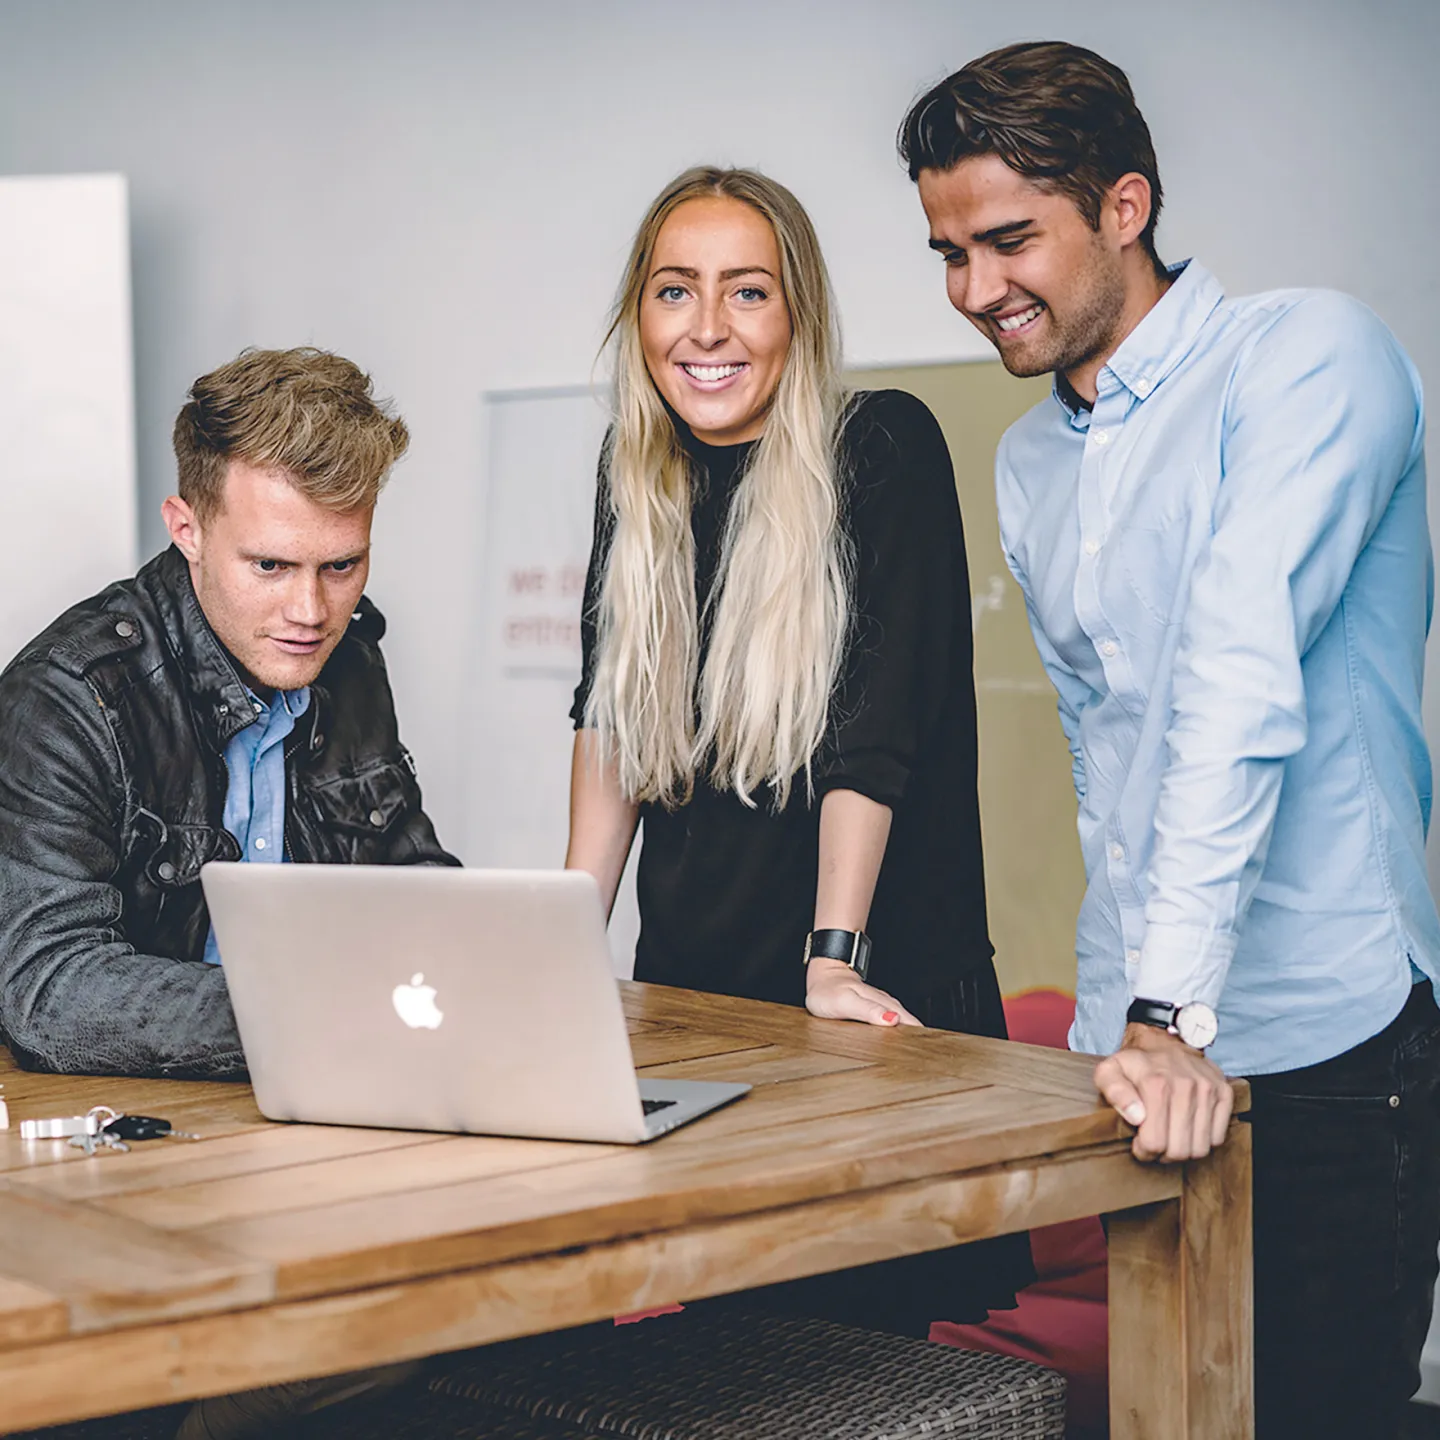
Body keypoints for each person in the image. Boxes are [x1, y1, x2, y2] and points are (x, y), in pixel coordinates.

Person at [899, 40, 1440, 1436]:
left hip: (1328, 1037)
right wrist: (1116, 1024)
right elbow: (1107, 763)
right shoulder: (1031, 462)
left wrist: (1168, 1012)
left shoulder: (1310, 359)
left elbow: (1236, 691)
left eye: (1009, 240)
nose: (975, 292)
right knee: (1159, 1420)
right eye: (949, 252)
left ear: (1124, 206)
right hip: (1139, 1057)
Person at [564, 164, 1031, 1335]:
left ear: (799, 317)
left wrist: (832, 959)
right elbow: (611, 717)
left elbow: (874, 736)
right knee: (723, 1350)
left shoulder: (882, 445)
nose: (707, 328)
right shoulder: (639, 480)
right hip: (697, 992)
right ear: (640, 317)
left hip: (858, 999)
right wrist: (563, 938)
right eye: (675, 291)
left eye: (747, 293)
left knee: (855, 1372)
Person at [0, 344, 456, 1075]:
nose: (310, 613)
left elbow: (406, 876)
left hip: (326, 1089)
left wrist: (490, 974)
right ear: (188, 530)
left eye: (341, 565)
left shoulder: (351, 660)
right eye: (270, 565)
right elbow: (50, 989)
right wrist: (314, 1010)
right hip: (133, 1127)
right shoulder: (69, 697)